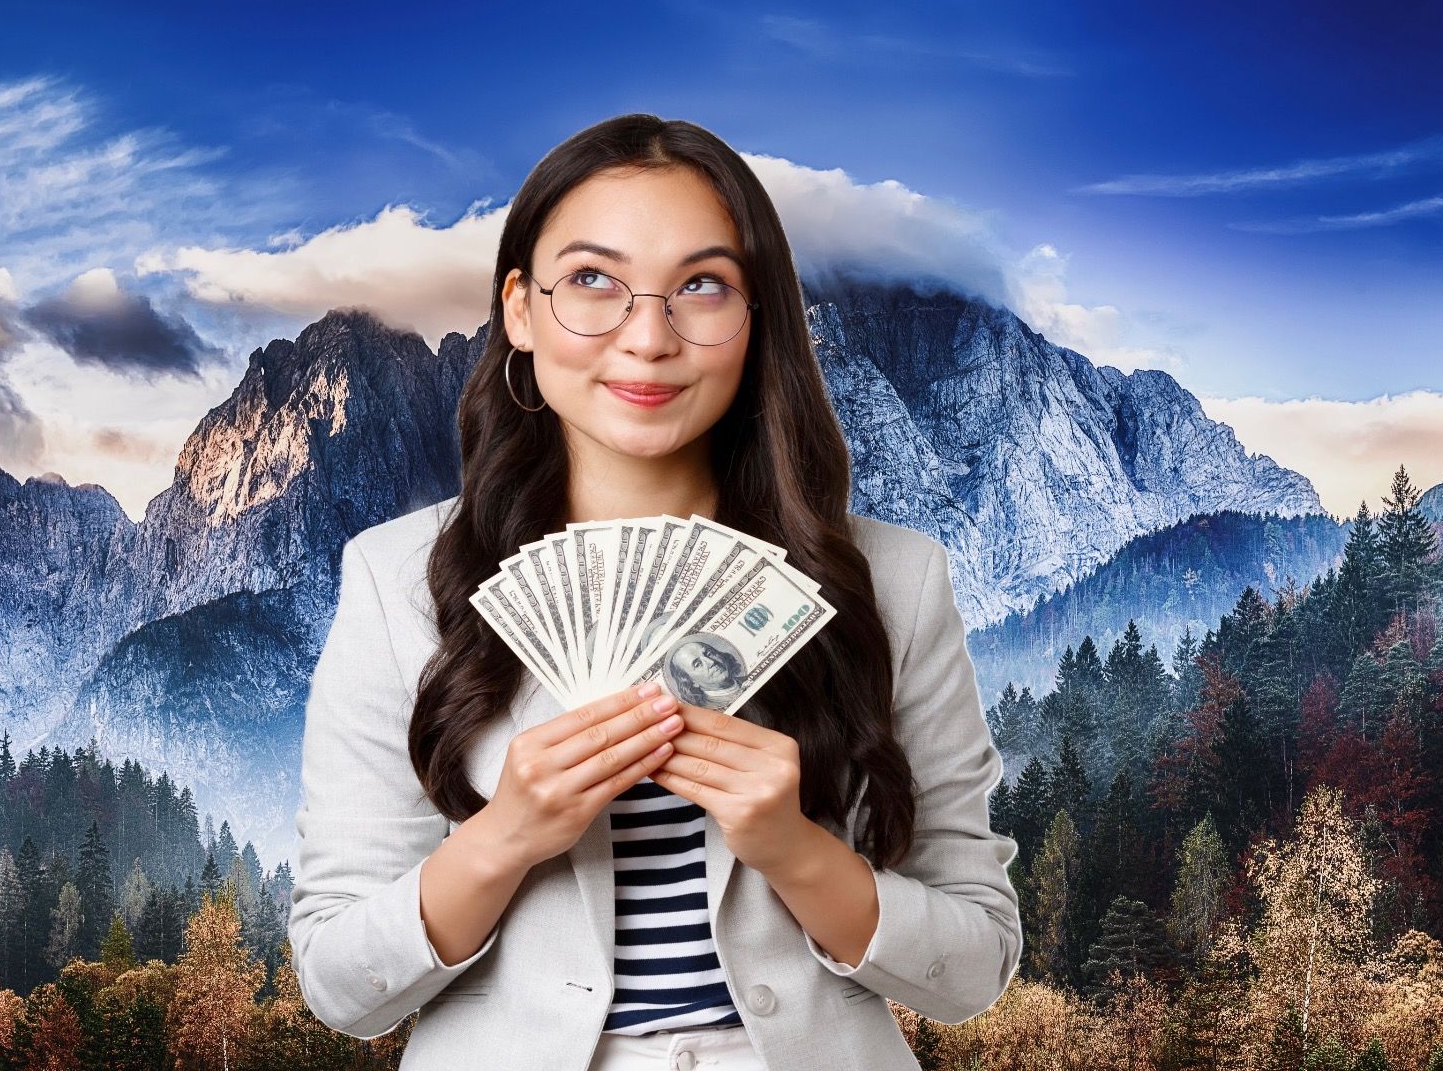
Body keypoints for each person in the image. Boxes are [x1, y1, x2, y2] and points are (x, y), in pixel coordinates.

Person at [289, 113, 1022, 1071]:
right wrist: (504, 837)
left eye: (703, 286)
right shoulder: (394, 580)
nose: (647, 337)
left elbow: (974, 968)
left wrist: (795, 849)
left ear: (757, 318)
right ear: (520, 307)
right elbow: (339, 986)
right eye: (592, 280)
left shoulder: (892, 581)